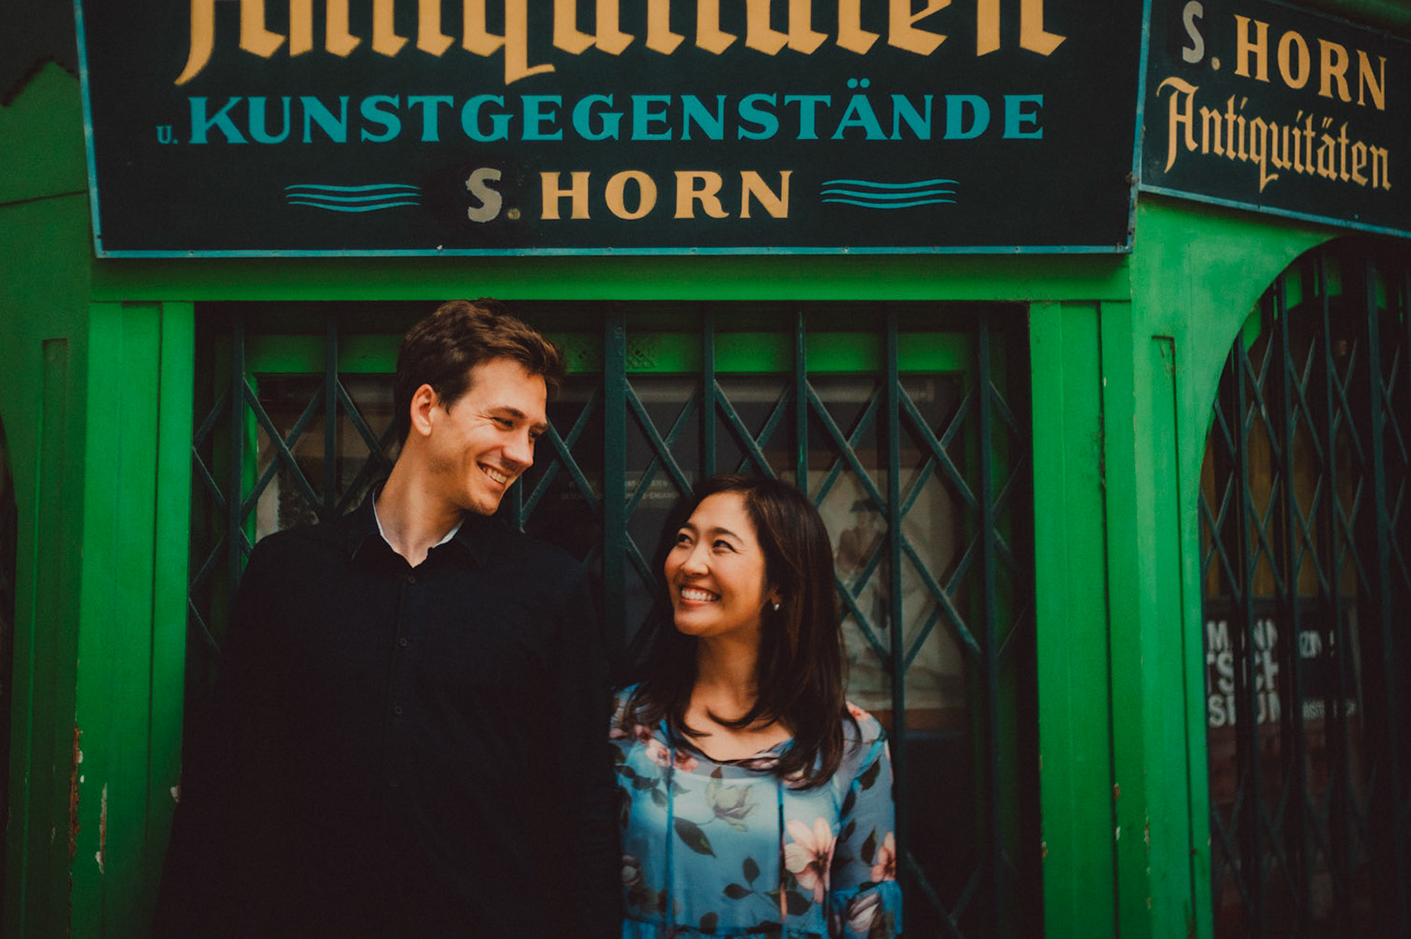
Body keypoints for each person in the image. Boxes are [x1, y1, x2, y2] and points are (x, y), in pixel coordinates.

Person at [155, 299, 620, 938]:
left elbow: (581, 811)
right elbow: (228, 785)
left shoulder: (551, 589)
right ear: (427, 408)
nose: (524, 454)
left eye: (533, 433)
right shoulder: (288, 574)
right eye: (506, 421)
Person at [611, 474, 902, 938]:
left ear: (780, 586)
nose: (689, 562)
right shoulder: (623, 725)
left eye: (721, 546)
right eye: (684, 541)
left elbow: (867, 918)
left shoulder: (849, 743)